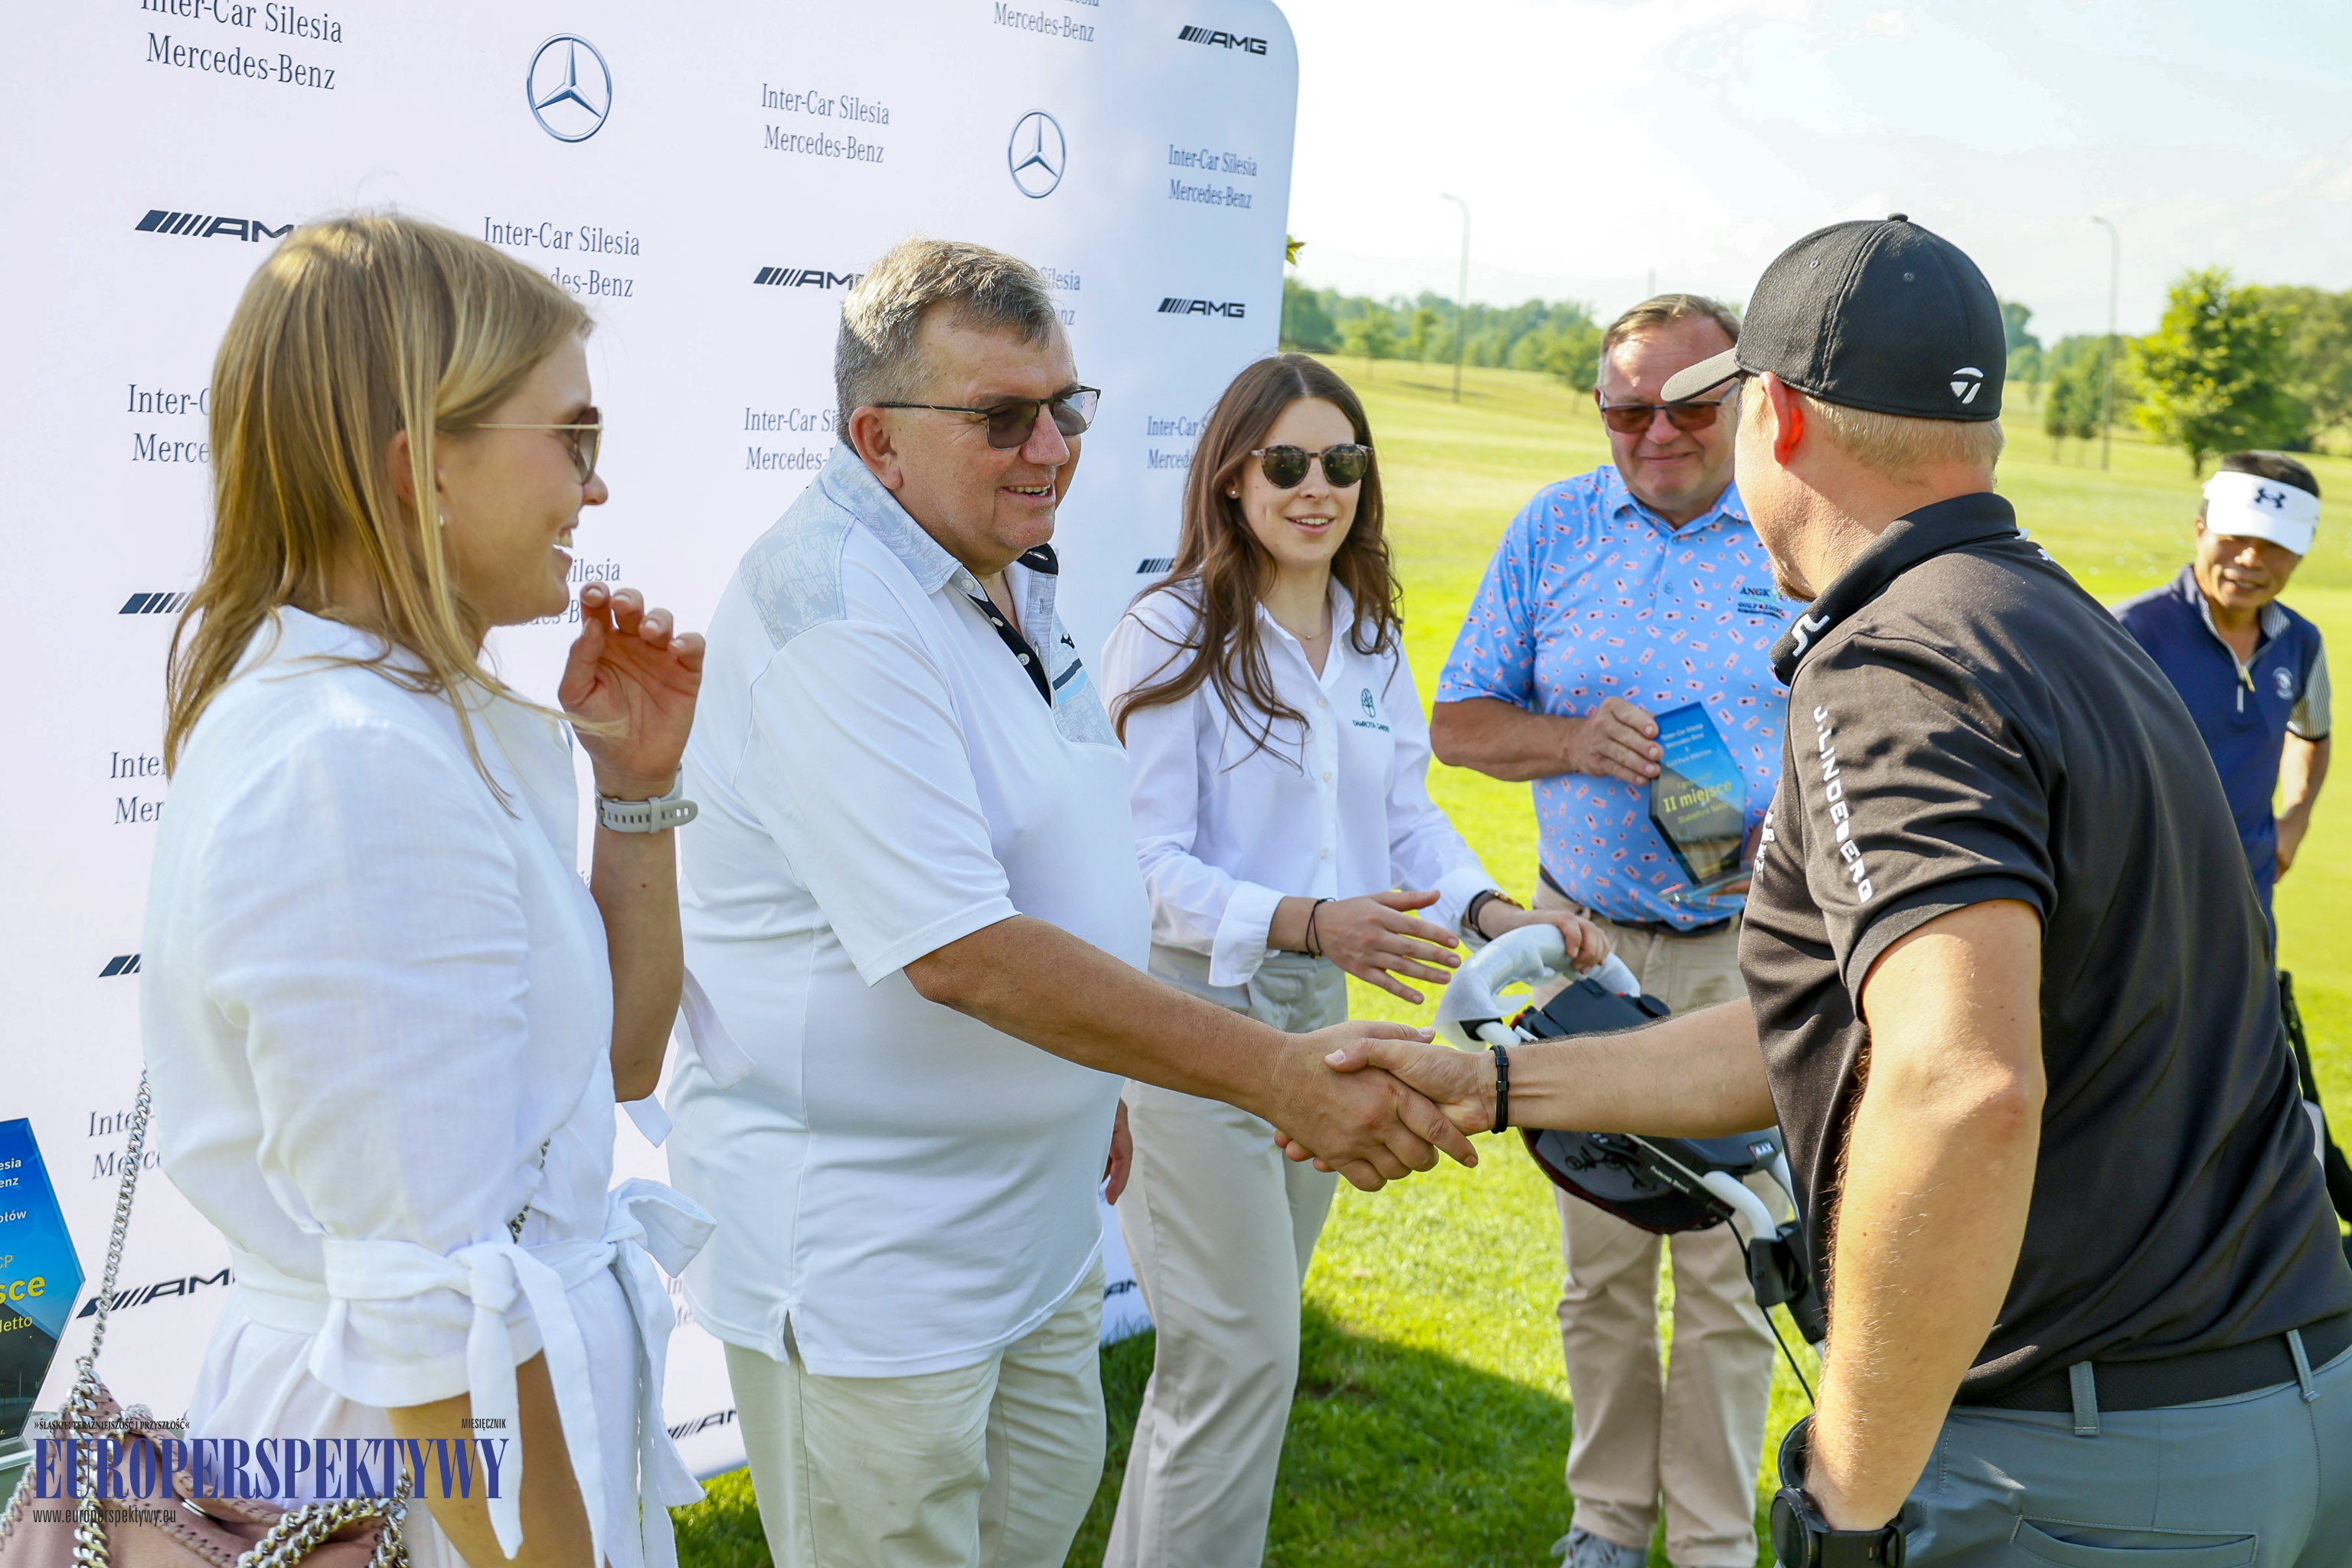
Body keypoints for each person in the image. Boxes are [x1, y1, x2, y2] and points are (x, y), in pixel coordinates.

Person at [1297, 217, 2352, 1565]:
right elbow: (1847, 1026)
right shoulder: (2068, 623)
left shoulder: (1891, 662)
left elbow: (1957, 1081)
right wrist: (1500, 1088)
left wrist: (1847, 1495)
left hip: (2090, 1462)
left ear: (1775, 417)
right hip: (2280, 1395)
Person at [666, 240, 1468, 1568]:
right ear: (878, 437)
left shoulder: (1001, 567)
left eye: (1067, 406)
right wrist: (1275, 1070)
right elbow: (965, 953)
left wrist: (1090, 1081)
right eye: (1001, 416)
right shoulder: (837, 614)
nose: (1050, 445)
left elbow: (1066, 855)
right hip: (879, 1261)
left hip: (1029, 1225)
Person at [144, 215, 713, 1568]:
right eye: (569, 437)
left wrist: (635, 789)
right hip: (421, 1485)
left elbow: (616, 1067)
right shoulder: (357, 764)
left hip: (447, 1456)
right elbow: (435, 1317)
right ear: (422, 467)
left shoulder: (401, 723)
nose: (595, 487)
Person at [1098, 353, 1609, 1568]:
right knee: (1237, 1358)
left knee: (1240, 1360)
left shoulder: (1370, 631)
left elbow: (1409, 820)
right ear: (1232, 479)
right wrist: (1309, 919)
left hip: (1325, 1018)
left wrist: (1497, 915)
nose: (1315, 487)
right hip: (1192, 1017)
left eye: (1342, 462)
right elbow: (1144, 865)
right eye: (1286, 464)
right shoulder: (1170, 630)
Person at [1429, 295, 1787, 1568]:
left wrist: (1789, 834)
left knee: (1735, 1265)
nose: (1655, 432)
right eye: (1624, 406)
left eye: (1688, 404)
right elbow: (1458, 719)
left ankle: (1709, 1540)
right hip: (1587, 951)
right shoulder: (1554, 529)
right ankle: (1603, 1523)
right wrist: (1570, 741)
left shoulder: (1791, 529)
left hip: (1753, 954)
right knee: (1602, 1264)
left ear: (1743, 395)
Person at [2115, 454, 2330, 931]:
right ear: (2200, 530)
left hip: (2247, 901)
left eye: (2274, 544)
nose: (2251, 559)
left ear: (2301, 551)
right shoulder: (2125, 633)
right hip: (2135, 906)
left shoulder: (2301, 642)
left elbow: (2312, 734)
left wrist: (2295, 822)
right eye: (2235, 536)